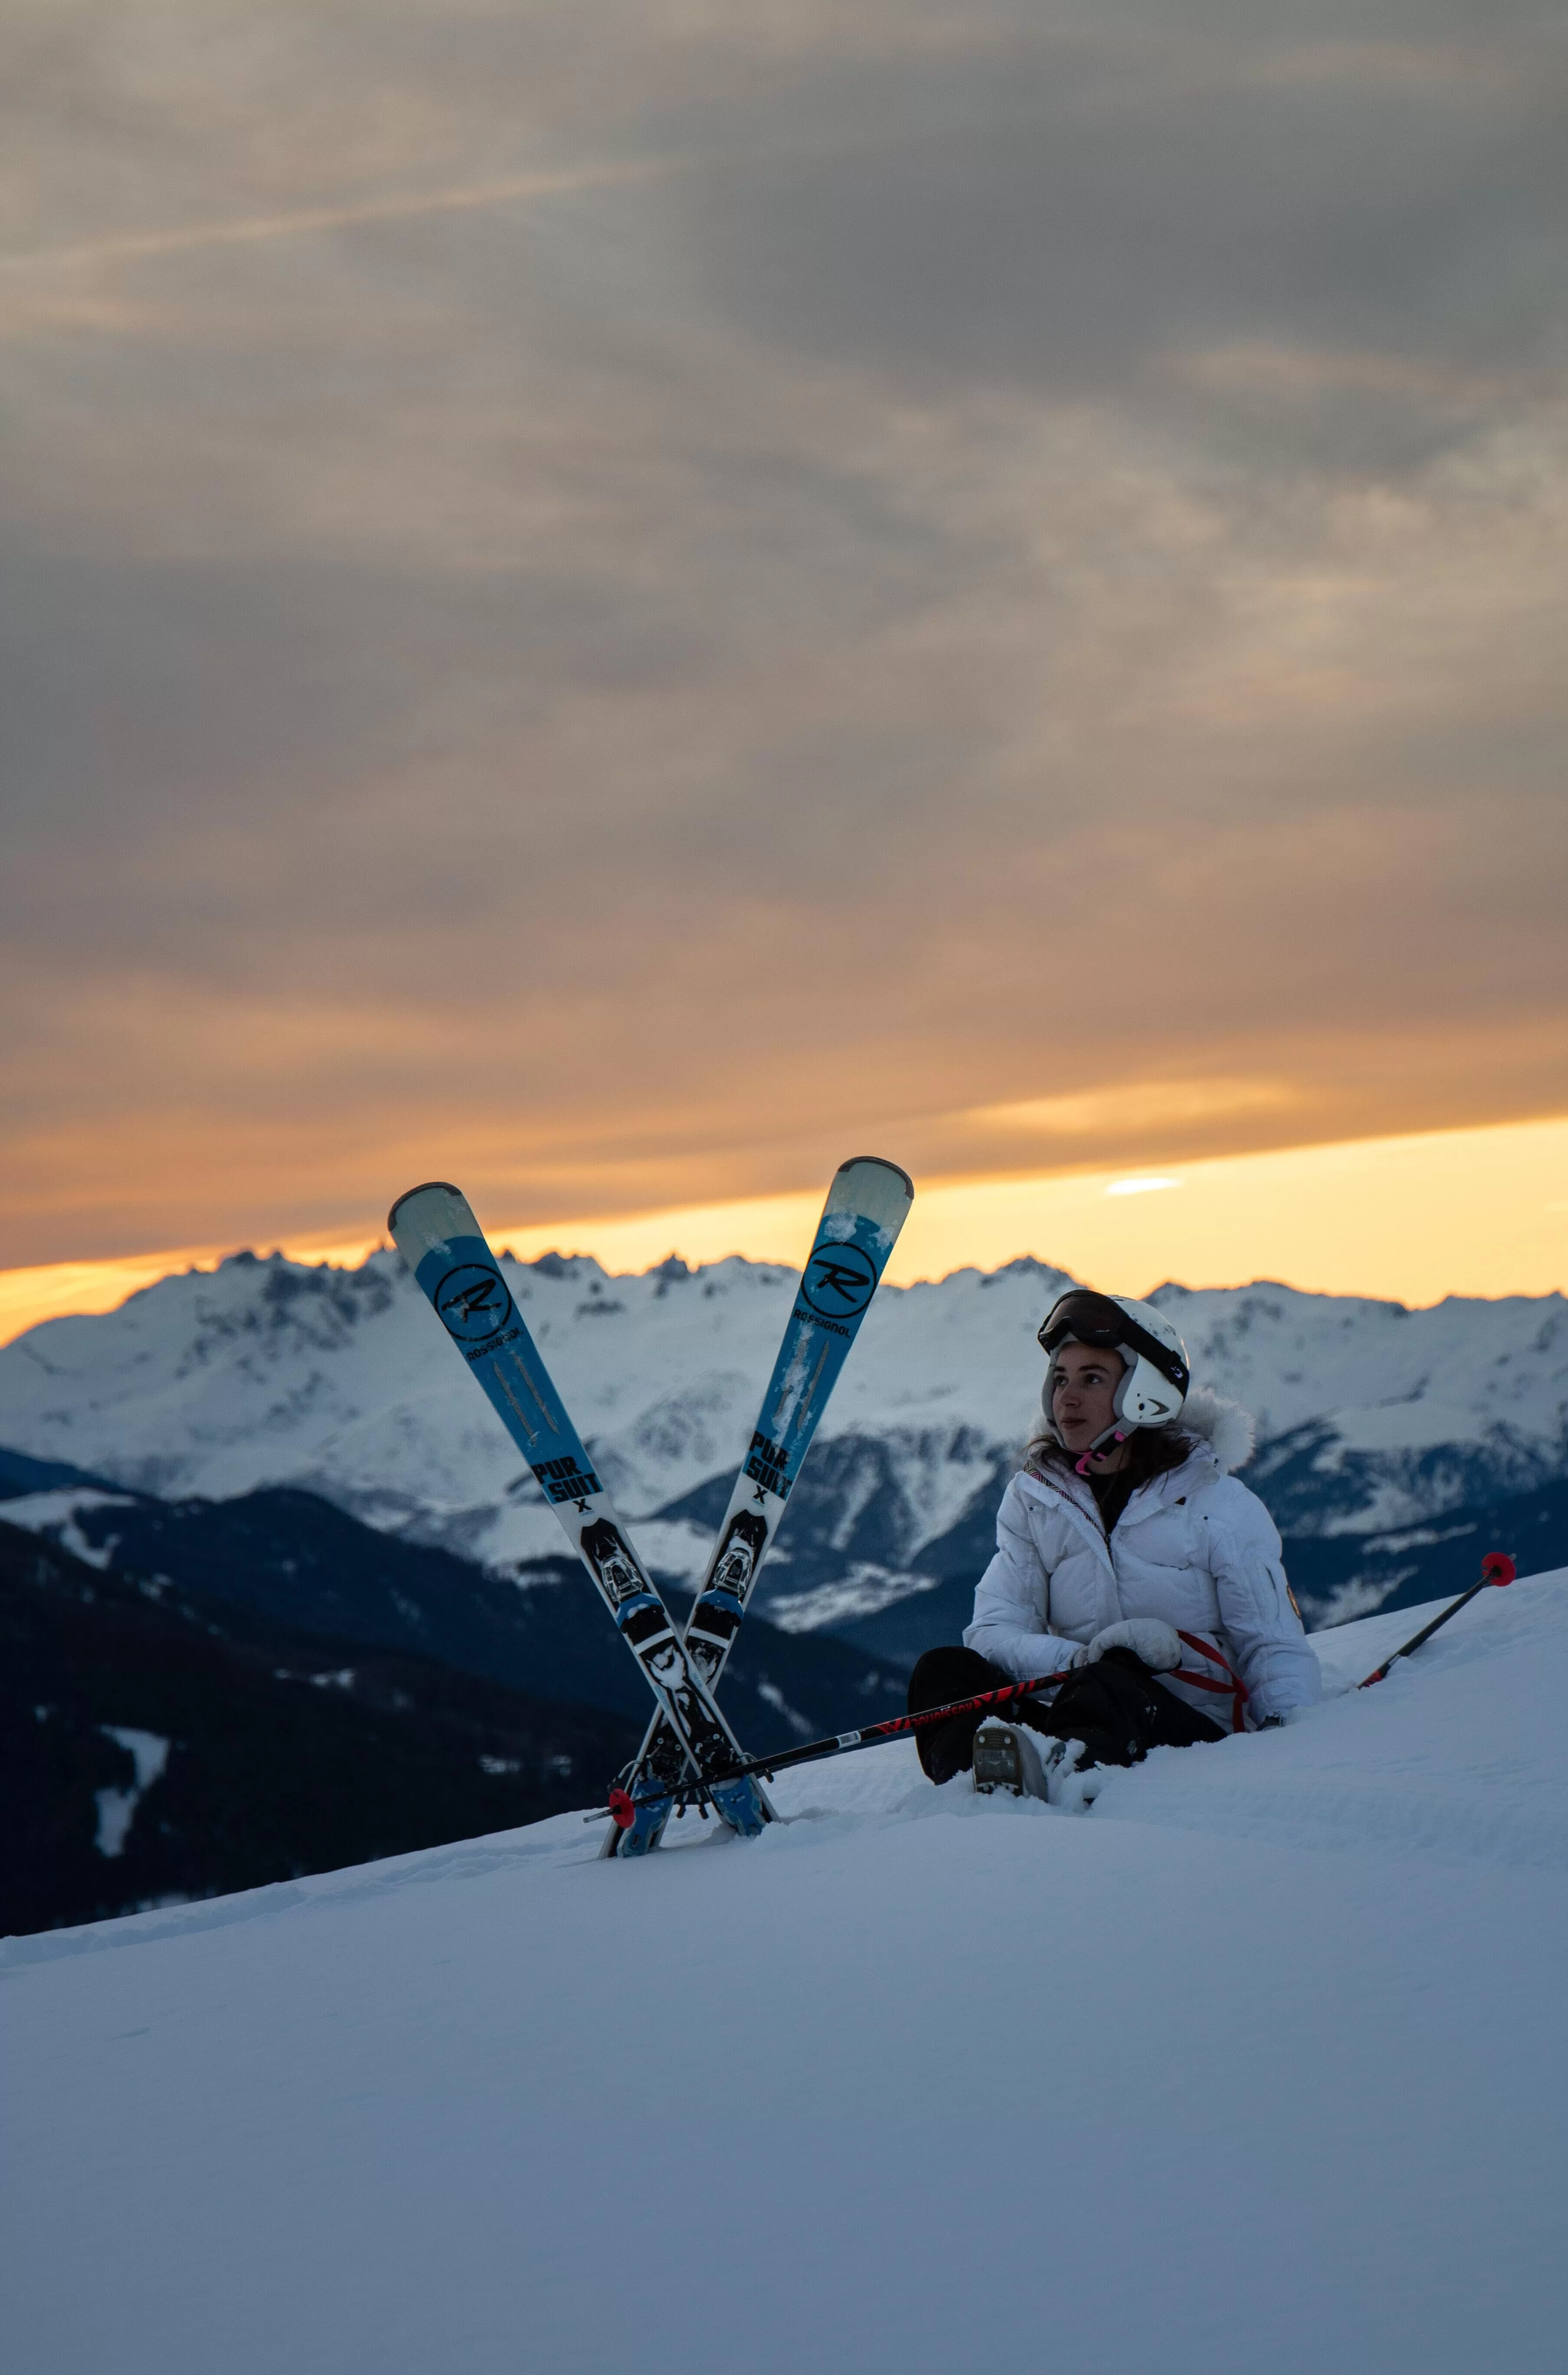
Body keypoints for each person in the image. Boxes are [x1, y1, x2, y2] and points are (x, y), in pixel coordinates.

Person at [908, 1288, 1321, 1802]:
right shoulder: (1035, 1501)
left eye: (1092, 1379)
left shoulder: (1217, 1504)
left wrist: (1290, 1731)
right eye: (1060, 1379)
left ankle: (1056, 1780)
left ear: (1144, 1395)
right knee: (944, 1672)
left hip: (1189, 1734)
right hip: (1077, 1709)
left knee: (1111, 1679)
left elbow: (1272, 1644)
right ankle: (974, 1787)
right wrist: (1078, 1660)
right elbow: (993, 1631)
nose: (1067, 1397)